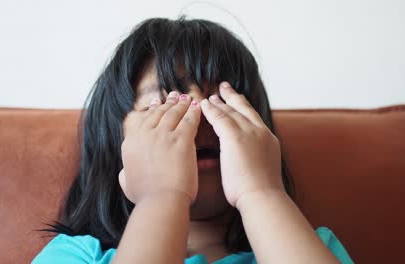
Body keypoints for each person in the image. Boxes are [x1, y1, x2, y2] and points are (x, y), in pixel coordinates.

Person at [32, 16, 353, 263]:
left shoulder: (305, 246)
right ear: (116, 147)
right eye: (167, 104)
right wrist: (160, 196)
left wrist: (261, 191)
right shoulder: (76, 255)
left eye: (225, 101)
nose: (200, 115)